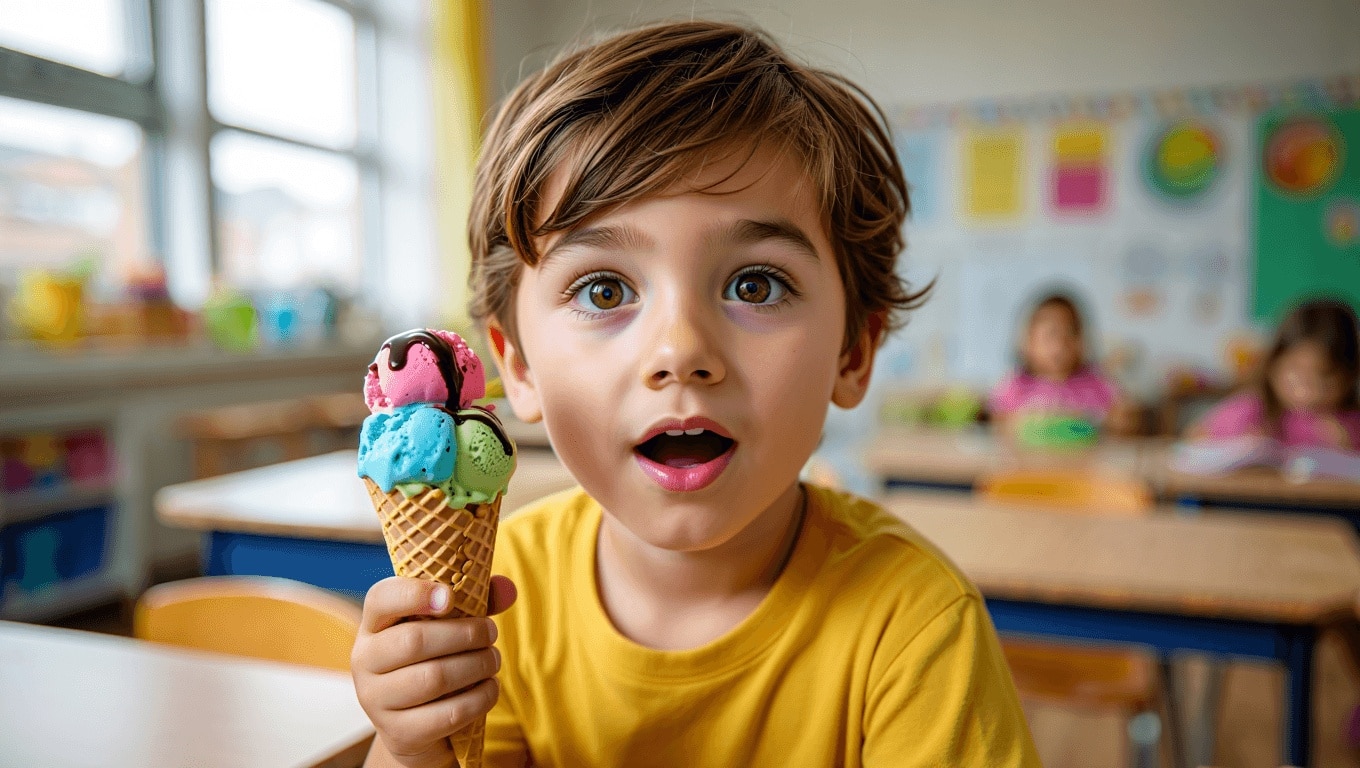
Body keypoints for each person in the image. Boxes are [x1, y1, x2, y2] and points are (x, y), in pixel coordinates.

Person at [350, 20, 1041, 768]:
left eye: (756, 284)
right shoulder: (500, 595)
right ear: (517, 366)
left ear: (853, 350)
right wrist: (412, 745)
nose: (681, 351)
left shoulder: (915, 625)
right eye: (605, 288)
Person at [1191, 298, 1360, 451]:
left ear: (1350, 375)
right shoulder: (1251, 409)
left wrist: (1348, 448)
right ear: (1273, 366)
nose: (1307, 392)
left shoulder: (1352, 425)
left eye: (1325, 378)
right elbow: (1194, 439)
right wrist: (1241, 442)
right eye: (1295, 375)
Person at [989, 292, 1126, 434]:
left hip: (1085, 455)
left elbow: (1124, 419)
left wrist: (1098, 420)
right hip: (1032, 456)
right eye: (1050, 336)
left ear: (1082, 342)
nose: (1060, 345)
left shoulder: (1097, 383)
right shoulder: (1016, 385)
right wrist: (1022, 420)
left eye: (1070, 334)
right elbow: (997, 421)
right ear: (1029, 343)